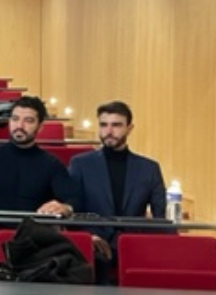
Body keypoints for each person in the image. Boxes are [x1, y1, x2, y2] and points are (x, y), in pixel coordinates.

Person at [0, 95, 80, 277]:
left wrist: (64, 207)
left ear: (40, 127)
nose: (19, 126)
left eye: (28, 121)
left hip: (34, 243)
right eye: (15, 119)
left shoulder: (51, 164)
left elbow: (73, 198)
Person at [69, 100, 166, 271]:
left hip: (135, 249)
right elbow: (71, 209)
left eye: (116, 125)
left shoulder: (149, 168)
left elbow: (161, 218)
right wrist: (87, 237)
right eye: (103, 125)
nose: (109, 131)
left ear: (129, 128)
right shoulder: (80, 164)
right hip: (91, 249)